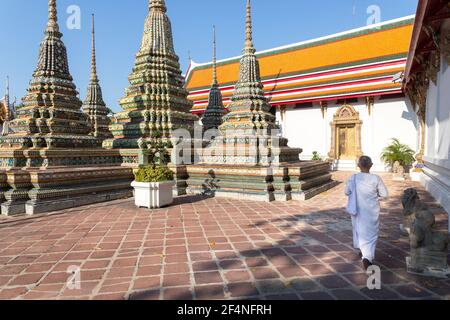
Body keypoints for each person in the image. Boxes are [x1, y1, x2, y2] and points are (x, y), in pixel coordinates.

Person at [345, 156, 389, 270]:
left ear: (358, 166)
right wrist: (374, 194)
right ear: (371, 165)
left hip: (357, 209)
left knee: (358, 229)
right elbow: (384, 194)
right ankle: (367, 257)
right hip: (371, 210)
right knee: (371, 233)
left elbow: (346, 192)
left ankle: (361, 250)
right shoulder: (376, 178)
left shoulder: (353, 178)